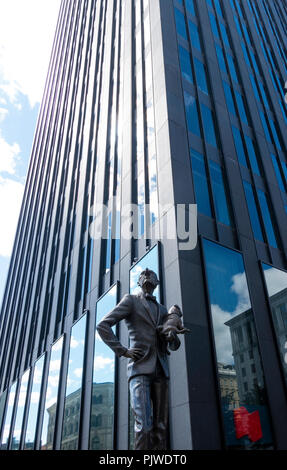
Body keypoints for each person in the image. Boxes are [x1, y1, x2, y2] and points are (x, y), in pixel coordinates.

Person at [96, 268, 181, 450]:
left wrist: (171, 336)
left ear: (157, 283)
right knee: (144, 425)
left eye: (152, 275)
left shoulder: (164, 310)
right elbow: (103, 325)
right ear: (139, 281)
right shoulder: (131, 300)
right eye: (144, 274)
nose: (148, 276)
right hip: (139, 368)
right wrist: (122, 350)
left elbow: (174, 344)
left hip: (161, 368)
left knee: (161, 427)